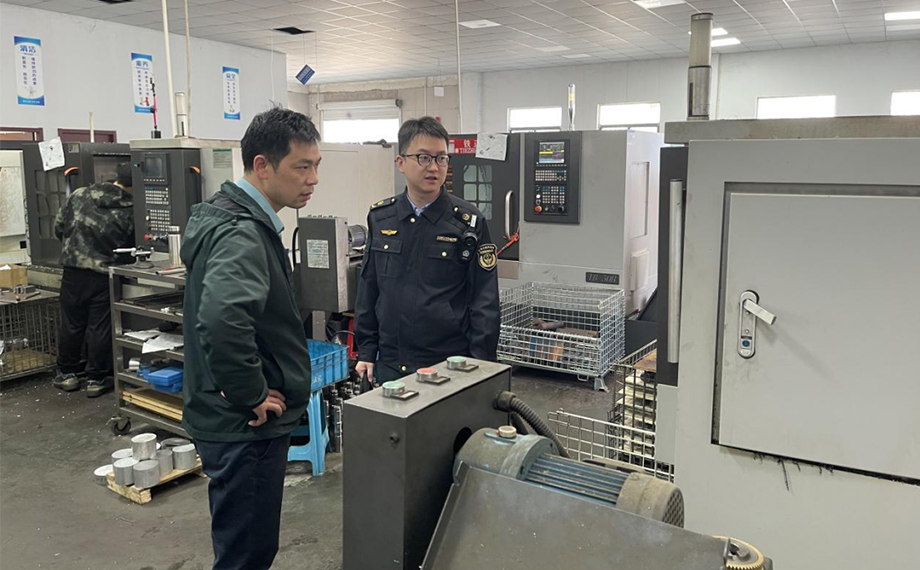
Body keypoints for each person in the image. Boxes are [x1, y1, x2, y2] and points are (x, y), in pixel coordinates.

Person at [180, 108, 321, 570]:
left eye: (316, 165)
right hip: (246, 426)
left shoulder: (227, 215)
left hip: (227, 419)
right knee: (248, 555)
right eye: (302, 166)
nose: (313, 179)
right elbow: (222, 319)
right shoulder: (242, 232)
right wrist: (250, 392)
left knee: (241, 546)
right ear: (262, 165)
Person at [355, 117, 500, 385]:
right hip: (390, 362)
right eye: (423, 158)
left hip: (449, 364)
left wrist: (482, 365)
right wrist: (366, 350)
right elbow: (369, 287)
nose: (434, 167)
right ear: (401, 162)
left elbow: (485, 300)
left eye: (441, 158)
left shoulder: (468, 223)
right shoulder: (381, 217)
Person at [52, 162, 134, 397]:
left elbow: (59, 227)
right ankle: (96, 379)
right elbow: (132, 247)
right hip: (103, 275)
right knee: (100, 327)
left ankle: (67, 374)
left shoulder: (79, 195)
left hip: (73, 271)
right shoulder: (130, 209)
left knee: (71, 324)